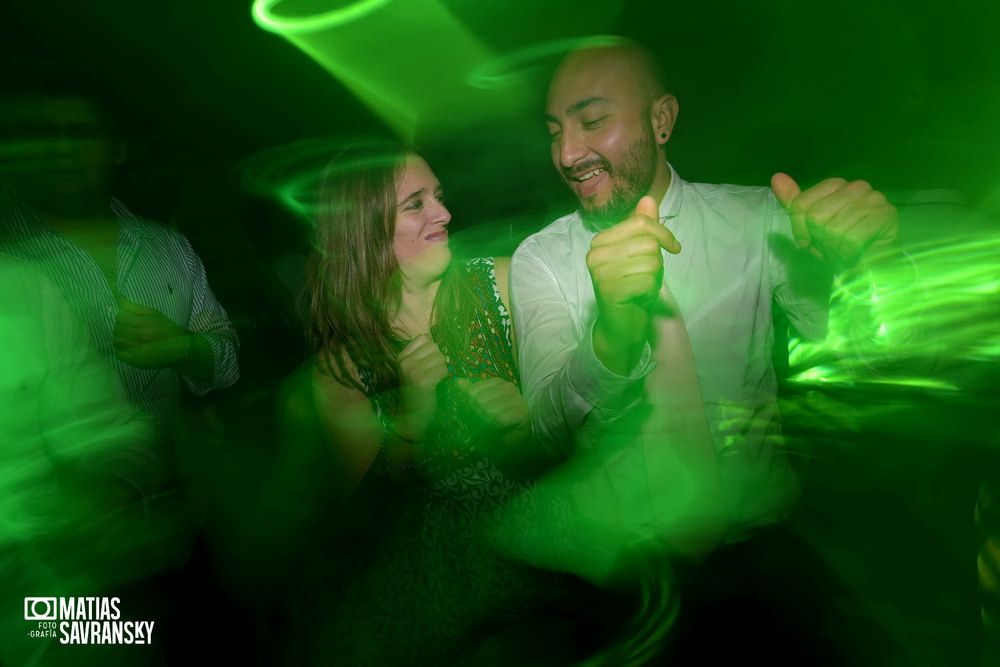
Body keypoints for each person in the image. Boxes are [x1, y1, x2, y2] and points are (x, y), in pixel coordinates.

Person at [508, 37, 902, 662]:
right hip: (615, 583)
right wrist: (613, 331)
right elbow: (548, 427)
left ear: (661, 120)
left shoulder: (759, 221)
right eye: (555, 130)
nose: (567, 152)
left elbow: (868, 365)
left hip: (762, 564)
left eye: (592, 121)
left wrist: (873, 268)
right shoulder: (541, 259)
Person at [274, 146, 579, 666]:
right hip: (442, 586)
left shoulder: (507, 283)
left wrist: (533, 428)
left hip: (557, 551)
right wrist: (413, 420)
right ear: (362, 229)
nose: (444, 214)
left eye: (438, 196)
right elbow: (372, 518)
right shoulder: (341, 373)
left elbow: (594, 417)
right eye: (415, 204)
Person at [0, 74, 240, 437]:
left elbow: (227, 359)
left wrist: (186, 349)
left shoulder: (168, 245)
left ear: (118, 149)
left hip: (175, 479)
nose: (62, 149)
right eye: (42, 134)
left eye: (82, 133)